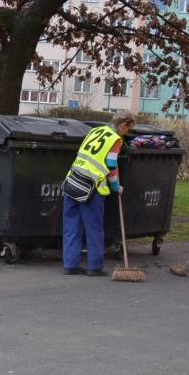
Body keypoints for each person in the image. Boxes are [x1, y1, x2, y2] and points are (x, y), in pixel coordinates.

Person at [62, 110, 136, 276]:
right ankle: (94, 266)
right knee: (94, 228)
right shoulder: (114, 138)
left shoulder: (95, 131)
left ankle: (70, 265)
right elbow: (110, 165)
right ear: (123, 125)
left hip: (72, 182)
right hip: (92, 188)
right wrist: (116, 187)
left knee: (71, 226)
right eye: (128, 130)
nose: (126, 133)